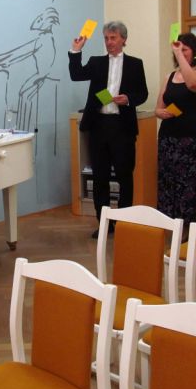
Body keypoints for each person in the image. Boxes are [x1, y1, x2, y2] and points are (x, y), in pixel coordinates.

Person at [69, 21, 148, 238]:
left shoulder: (135, 64)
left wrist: (128, 99)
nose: (109, 42)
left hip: (122, 127)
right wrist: (76, 51)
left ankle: (123, 223)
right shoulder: (96, 62)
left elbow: (143, 93)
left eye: (113, 38)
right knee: (100, 178)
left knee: (124, 177)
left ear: (123, 39)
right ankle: (104, 223)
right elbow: (76, 74)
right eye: (106, 38)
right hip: (99, 126)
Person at [155, 33, 196, 225]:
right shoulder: (169, 76)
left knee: (190, 182)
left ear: (194, 51)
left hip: (194, 138)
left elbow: (193, 84)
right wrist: (160, 113)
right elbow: (158, 107)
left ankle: (191, 225)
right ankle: (171, 222)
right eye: (178, 49)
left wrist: (180, 56)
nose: (181, 52)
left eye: (185, 49)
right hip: (169, 136)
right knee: (169, 180)